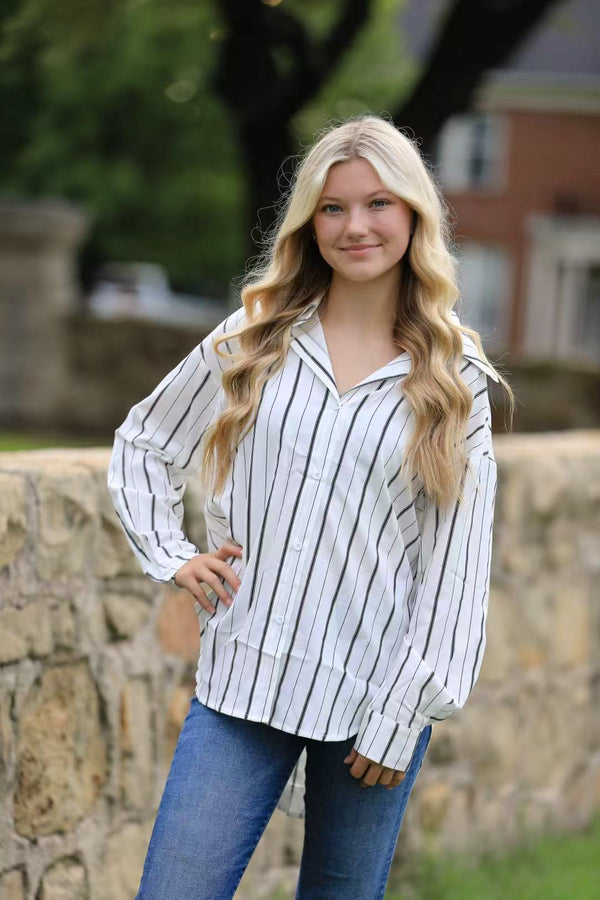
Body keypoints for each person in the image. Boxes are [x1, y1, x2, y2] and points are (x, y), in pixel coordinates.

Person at [107, 113, 514, 900]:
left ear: (414, 215)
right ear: (309, 222)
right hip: (243, 683)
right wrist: (170, 552)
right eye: (333, 208)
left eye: (378, 204)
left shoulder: (454, 378)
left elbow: (456, 566)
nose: (355, 226)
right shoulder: (255, 338)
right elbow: (147, 442)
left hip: (374, 706)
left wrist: (406, 713)